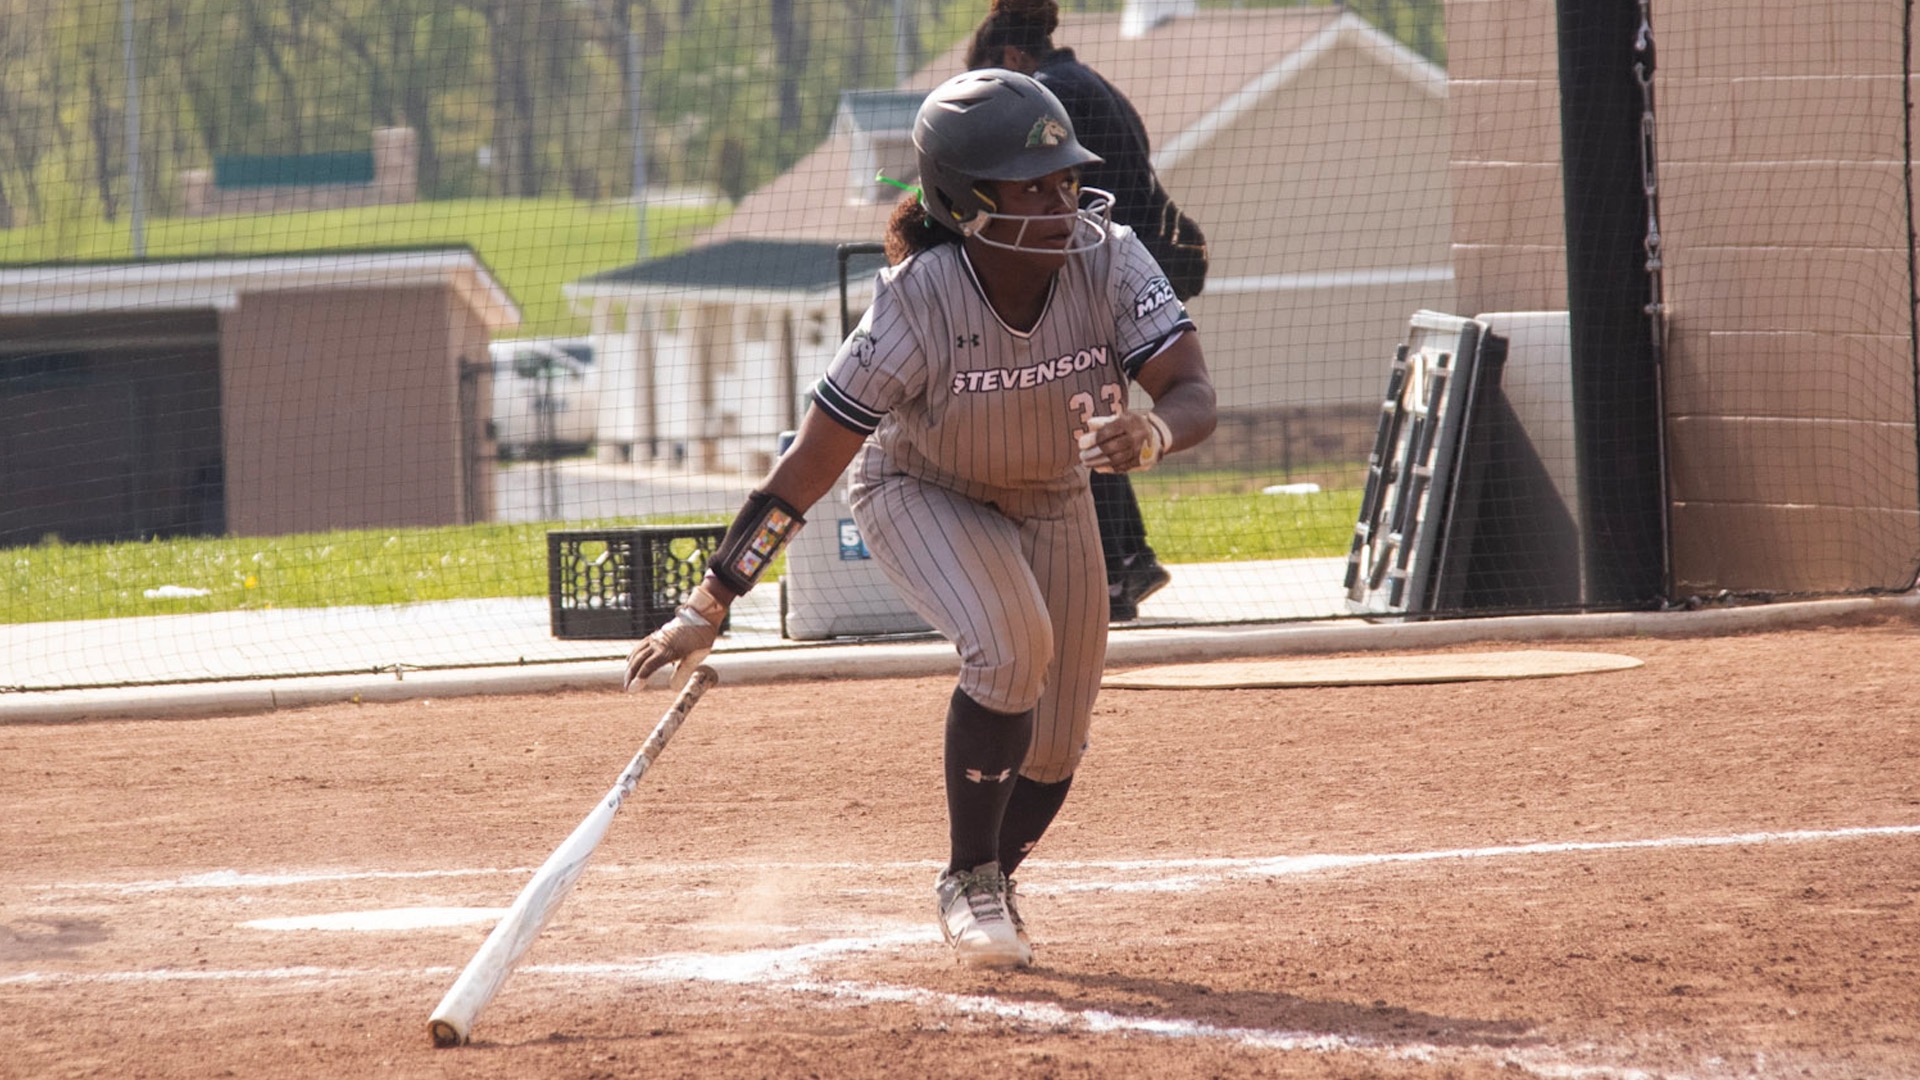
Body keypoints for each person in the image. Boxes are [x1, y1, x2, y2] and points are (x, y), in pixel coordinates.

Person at [625, 69, 1216, 969]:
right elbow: (810, 465)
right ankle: (970, 879)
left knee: (1057, 744)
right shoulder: (915, 301)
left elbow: (1192, 389)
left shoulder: (1111, 256)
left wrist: (1156, 430)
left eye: (1067, 179)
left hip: (1053, 495)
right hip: (920, 488)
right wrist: (711, 600)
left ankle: (992, 878)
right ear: (966, 201)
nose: (1065, 202)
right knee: (1012, 646)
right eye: (1036, 186)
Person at [967, 0, 1211, 623]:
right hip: (1133, 263)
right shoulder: (1089, 82)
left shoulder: (1045, 95)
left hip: (1106, 271)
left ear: (1013, 59)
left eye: (995, 78)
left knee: (1073, 412)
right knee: (1085, 411)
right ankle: (1126, 559)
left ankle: (1117, 565)